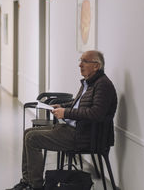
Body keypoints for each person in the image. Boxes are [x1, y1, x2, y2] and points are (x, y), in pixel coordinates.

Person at [7, 50, 117, 190]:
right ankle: (27, 181)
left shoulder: (103, 85)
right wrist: (62, 106)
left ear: (96, 66)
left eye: (85, 61)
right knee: (28, 132)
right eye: (80, 60)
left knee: (32, 138)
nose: (80, 65)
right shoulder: (88, 83)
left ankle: (36, 186)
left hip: (84, 136)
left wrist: (66, 113)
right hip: (73, 130)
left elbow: (96, 114)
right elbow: (78, 105)